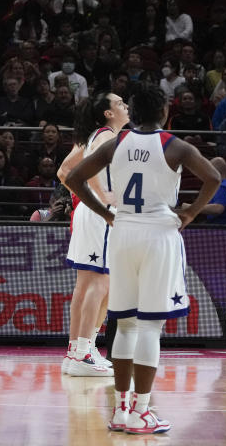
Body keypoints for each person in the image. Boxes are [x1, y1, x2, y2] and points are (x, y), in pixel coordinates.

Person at [66, 84, 221, 434]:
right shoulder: (174, 145)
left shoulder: (116, 143)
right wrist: (192, 213)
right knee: (150, 326)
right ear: (164, 112)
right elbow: (213, 176)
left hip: (122, 233)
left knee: (125, 323)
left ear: (133, 114)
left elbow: (74, 178)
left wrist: (106, 214)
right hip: (157, 233)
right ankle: (141, 412)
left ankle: (121, 411)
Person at [57, 93, 129, 377]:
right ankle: (84, 352)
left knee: (89, 284)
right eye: (120, 103)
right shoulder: (105, 135)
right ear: (108, 113)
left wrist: (86, 199)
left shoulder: (91, 135)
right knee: (102, 283)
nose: (126, 107)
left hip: (89, 212)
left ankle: (77, 351)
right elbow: (79, 175)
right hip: (101, 213)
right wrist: (103, 197)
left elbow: (64, 172)